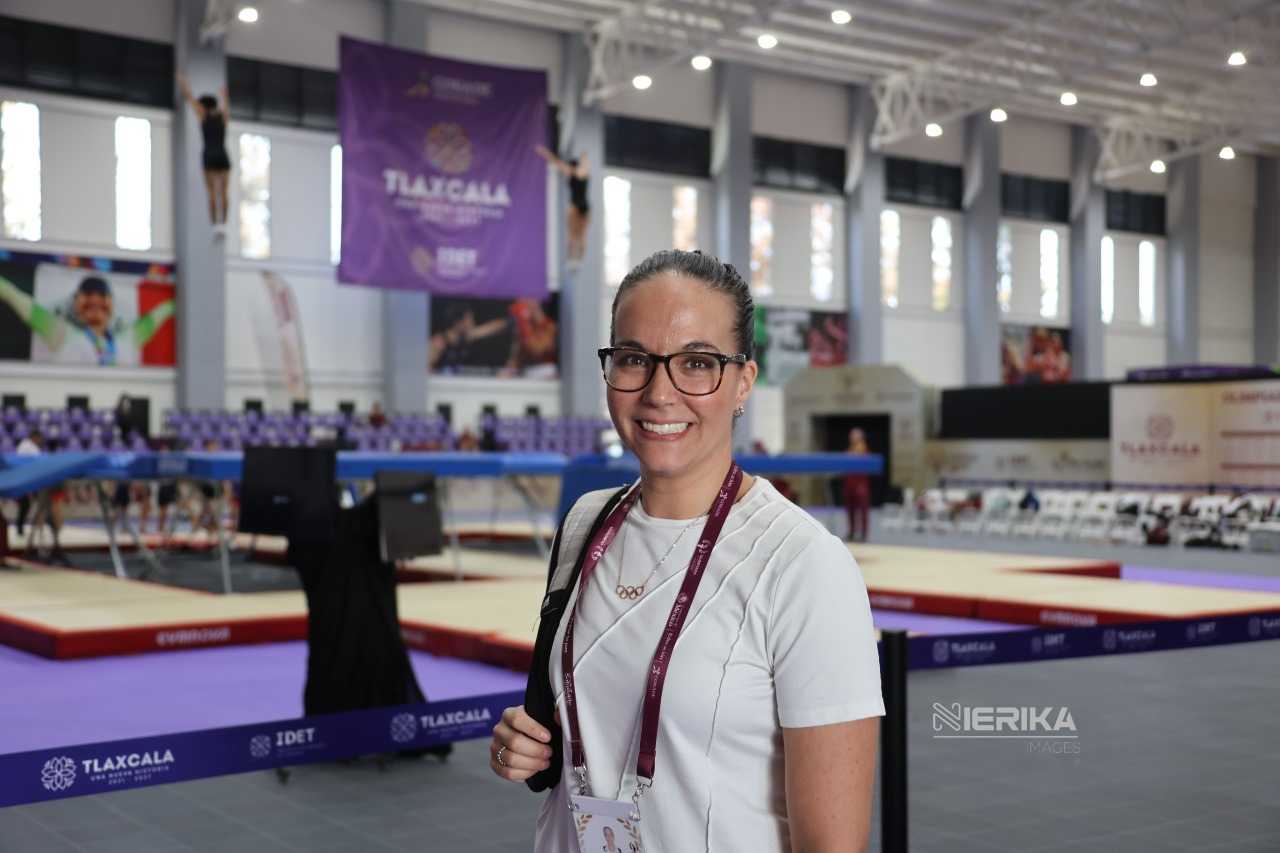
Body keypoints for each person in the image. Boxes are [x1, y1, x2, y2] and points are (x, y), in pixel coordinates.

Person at [489, 250, 882, 851]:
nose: (659, 392)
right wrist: (526, 744)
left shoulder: (803, 565)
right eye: (634, 359)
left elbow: (832, 844)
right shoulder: (586, 523)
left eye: (697, 363)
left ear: (743, 381)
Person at [0, 273, 174, 367]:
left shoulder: (127, 338)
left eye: (102, 295)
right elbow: (14, 296)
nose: (95, 300)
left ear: (112, 303)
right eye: (88, 295)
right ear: (75, 302)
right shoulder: (62, 334)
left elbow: (164, 310)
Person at [176, 73, 231, 231]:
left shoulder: (203, 115)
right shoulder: (222, 117)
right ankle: (224, 225)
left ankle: (215, 225)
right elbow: (226, 107)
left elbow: (189, 97)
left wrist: (181, 82)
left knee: (212, 193)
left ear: (204, 106)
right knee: (224, 192)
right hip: (222, 155)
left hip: (209, 156)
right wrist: (224, 96)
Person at [535, 146, 590, 262]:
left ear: (572, 167)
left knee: (572, 234)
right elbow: (584, 165)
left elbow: (557, 162)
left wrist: (544, 153)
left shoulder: (573, 172)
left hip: (575, 205)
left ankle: (572, 258)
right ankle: (579, 259)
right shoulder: (583, 173)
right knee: (582, 235)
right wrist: (584, 158)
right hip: (585, 206)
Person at [842, 427, 872, 542]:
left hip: (860, 484)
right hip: (849, 483)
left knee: (863, 510)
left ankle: (864, 533)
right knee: (850, 509)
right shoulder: (849, 449)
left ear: (860, 437)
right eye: (851, 436)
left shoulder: (863, 449)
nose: (852, 438)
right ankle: (851, 532)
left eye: (854, 436)